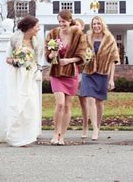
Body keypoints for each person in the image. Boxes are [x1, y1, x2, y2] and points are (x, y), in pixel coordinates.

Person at [45, 10, 86, 145]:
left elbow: (82, 55)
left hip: (71, 73)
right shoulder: (52, 34)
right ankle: (55, 134)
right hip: (56, 72)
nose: (62, 24)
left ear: (70, 21)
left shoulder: (78, 34)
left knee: (68, 106)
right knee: (60, 104)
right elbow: (47, 55)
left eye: (64, 21)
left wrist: (68, 61)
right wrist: (52, 54)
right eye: (60, 21)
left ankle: (62, 136)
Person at [80, 16, 119, 140]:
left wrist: (111, 79)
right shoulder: (87, 37)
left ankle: (98, 125)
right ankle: (95, 129)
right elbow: (81, 53)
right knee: (90, 99)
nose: (96, 26)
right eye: (94, 24)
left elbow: (114, 60)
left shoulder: (109, 39)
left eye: (98, 23)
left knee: (100, 102)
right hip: (88, 72)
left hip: (102, 73)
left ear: (102, 25)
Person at [5, 15, 42, 147]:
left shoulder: (36, 42)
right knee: (18, 106)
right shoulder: (15, 39)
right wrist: (17, 61)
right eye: (37, 26)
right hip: (18, 76)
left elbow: (37, 61)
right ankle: (15, 137)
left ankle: (28, 136)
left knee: (30, 106)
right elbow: (7, 58)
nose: (38, 29)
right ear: (30, 27)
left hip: (30, 77)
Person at [73, 18, 89, 138]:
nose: (75, 27)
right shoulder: (69, 39)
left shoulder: (87, 39)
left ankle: (85, 127)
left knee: (84, 102)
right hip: (70, 74)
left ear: (82, 27)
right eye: (73, 25)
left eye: (77, 25)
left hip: (83, 73)